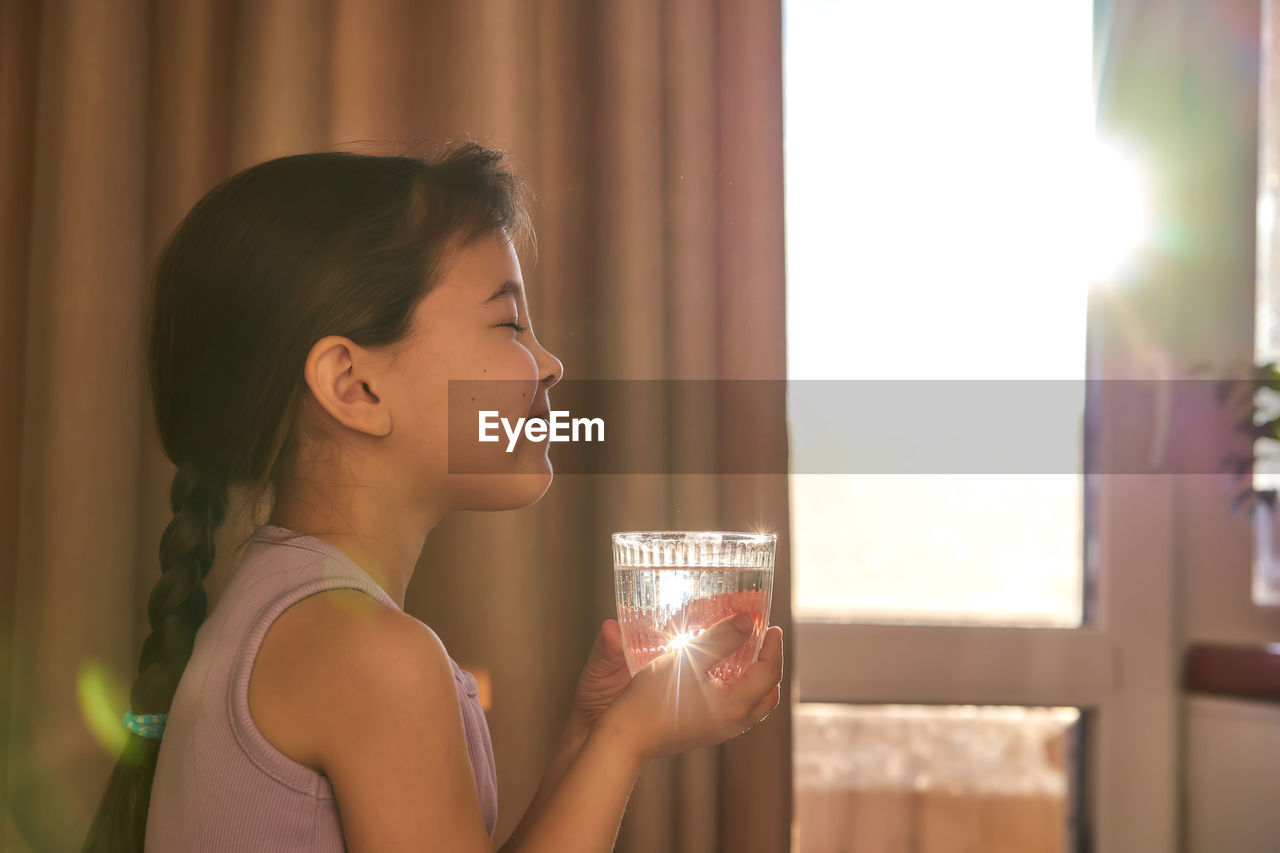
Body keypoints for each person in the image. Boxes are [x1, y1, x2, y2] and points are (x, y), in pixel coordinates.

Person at [80, 142, 784, 852]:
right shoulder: (371, 655)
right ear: (354, 386)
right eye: (509, 324)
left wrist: (594, 734)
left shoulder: (290, 613)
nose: (550, 364)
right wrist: (628, 740)